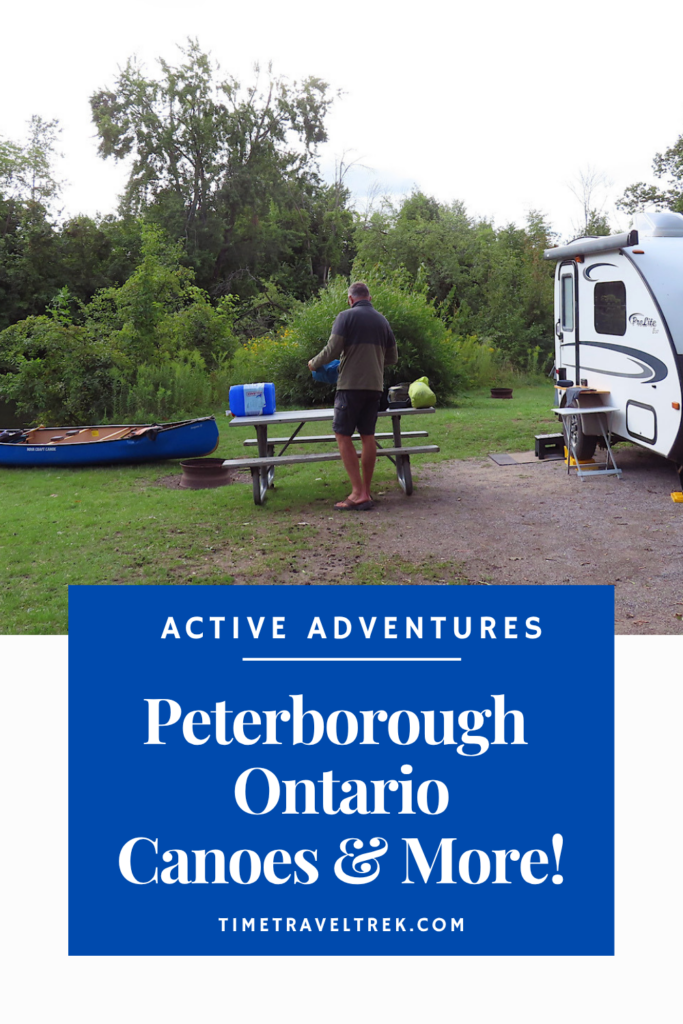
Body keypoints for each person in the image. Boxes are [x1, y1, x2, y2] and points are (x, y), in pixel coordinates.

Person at [308, 281, 397, 510]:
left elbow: (332, 349)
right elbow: (392, 358)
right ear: (369, 298)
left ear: (350, 299)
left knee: (342, 435)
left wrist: (313, 363)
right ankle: (365, 491)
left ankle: (358, 493)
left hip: (350, 387)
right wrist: (371, 362)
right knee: (368, 436)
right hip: (374, 387)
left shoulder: (345, 317)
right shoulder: (382, 321)